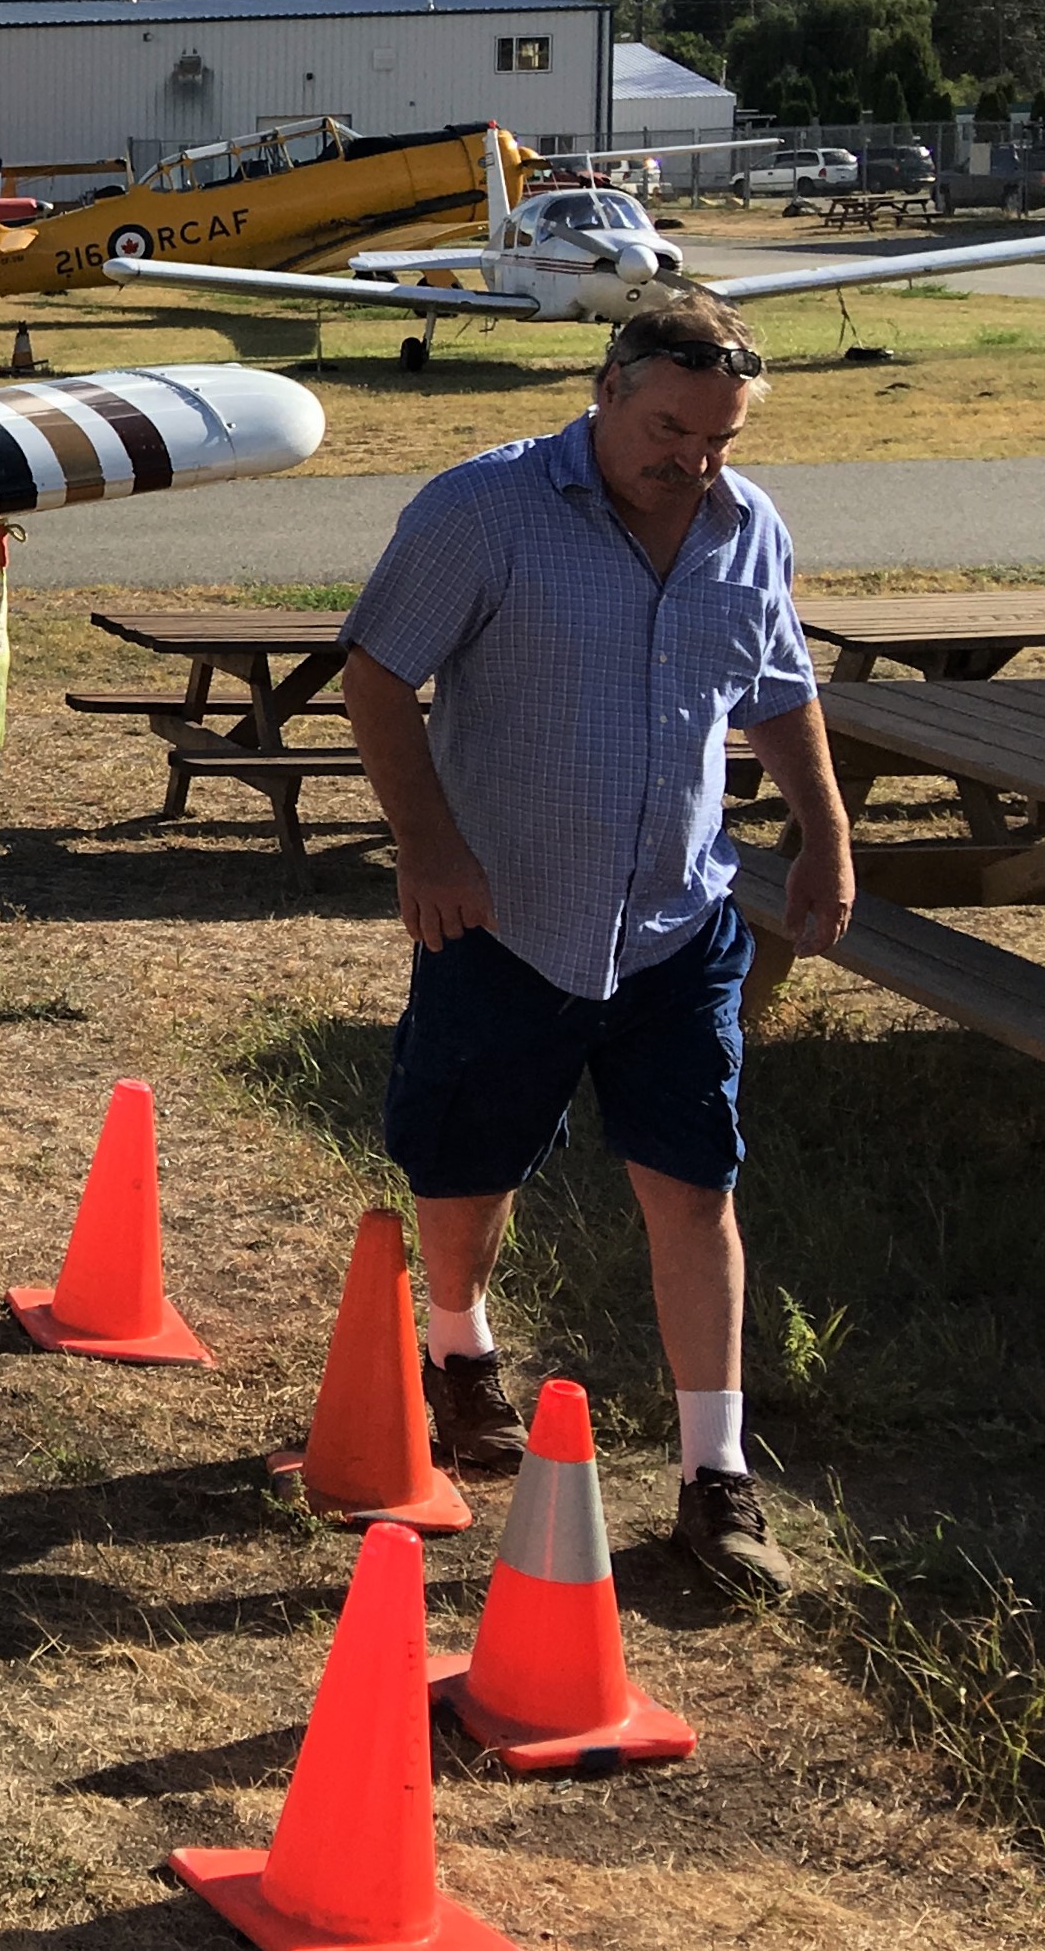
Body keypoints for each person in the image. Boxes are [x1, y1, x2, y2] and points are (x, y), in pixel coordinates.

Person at [339, 298, 853, 1598]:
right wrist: (427, 847)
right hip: (503, 918)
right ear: (607, 387)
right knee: (468, 1162)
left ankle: (714, 1477)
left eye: (718, 438)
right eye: (669, 429)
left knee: (694, 1184)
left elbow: (778, 687)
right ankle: (458, 1348)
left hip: (678, 922)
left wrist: (825, 834)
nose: (692, 461)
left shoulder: (747, 526)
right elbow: (376, 674)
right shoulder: (484, 510)